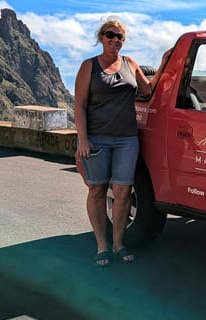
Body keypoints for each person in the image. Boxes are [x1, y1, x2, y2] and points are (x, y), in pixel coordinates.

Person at [73, 17, 151, 267]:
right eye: (110, 35)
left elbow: (148, 90)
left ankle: (119, 243)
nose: (115, 40)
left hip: (127, 140)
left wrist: (167, 63)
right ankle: (101, 245)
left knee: (123, 192)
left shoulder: (130, 64)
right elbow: (80, 105)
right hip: (96, 139)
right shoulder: (89, 67)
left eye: (119, 36)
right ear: (101, 38)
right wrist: (82, 140)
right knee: (97, 190)